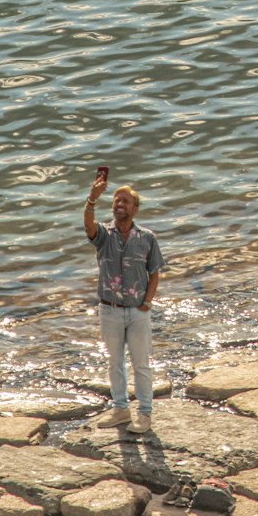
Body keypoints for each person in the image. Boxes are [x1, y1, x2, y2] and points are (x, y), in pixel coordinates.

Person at [83, 171, 164, 433]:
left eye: (126, 201)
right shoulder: (104, 235)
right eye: (117, 200)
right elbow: (88, 226)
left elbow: (155, 273)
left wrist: (147, 304)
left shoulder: (147, 238)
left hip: (138, 311)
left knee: (141, 364)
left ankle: (144, 413)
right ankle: (120, 409)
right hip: (110, 310)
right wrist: (91, 200)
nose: (120, 204)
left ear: (135, 209)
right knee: (114, 363)